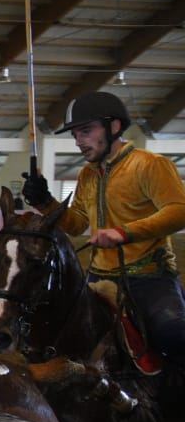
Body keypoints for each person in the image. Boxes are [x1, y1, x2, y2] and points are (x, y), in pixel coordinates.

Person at [21, 91, 185, 372]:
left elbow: (179, 210)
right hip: (97, 279)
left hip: (148, 280)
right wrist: (45, 202)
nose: (78, 141)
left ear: (114, 127)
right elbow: (77, 224)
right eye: (75, 135)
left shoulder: (149, 165)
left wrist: (124, 233)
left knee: (173, 333)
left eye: (85, 131)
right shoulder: (87, 174)